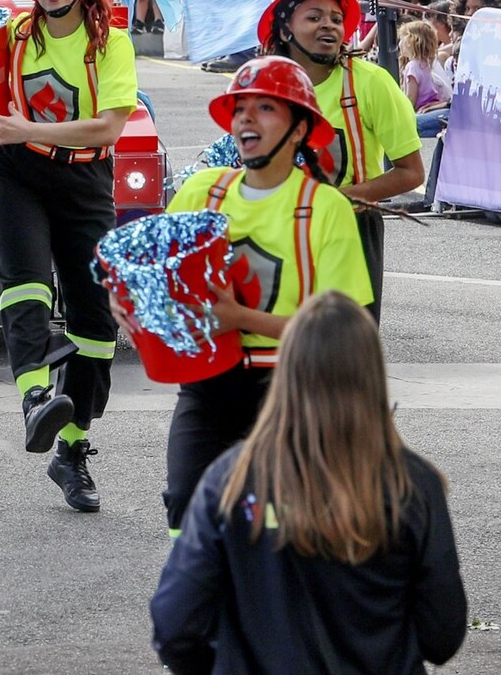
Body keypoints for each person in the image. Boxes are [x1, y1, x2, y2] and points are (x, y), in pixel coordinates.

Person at [150, 291, 466, 675]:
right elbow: (442, 636)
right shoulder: (412, 485)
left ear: (287, 371)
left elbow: (176, 625)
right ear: (371, 375)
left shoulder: (231, 479)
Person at [141, 57, 374, 530]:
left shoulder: (325, 208)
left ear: (299, 130)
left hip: (292, 391)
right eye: (239, 108)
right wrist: (132, 304)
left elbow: (345, 333)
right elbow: (151, 276)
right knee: (186, 507)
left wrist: (240, 319)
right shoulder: (200, 192)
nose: (246, 117)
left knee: (276, 524)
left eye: (265, 107)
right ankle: (200, 604)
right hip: (207, 387)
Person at [0, 0, 138, 511]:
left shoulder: (110, 42)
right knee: (25, 287)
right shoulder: (14, 32)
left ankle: (71, 451)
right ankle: (34, 396)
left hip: (85, 182)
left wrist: (29, 129)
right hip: (17, 174)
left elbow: (108, 128)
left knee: (95, 327)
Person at [255, 0, 424, 314]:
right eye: (314, 17)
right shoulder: (264, 86)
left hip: (351, 230)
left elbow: (410, 172)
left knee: (344, 351)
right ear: (285, 29)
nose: (328, 26)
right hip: (277, 228)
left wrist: (335, 200)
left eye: (335, 18)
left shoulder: (371, 83)